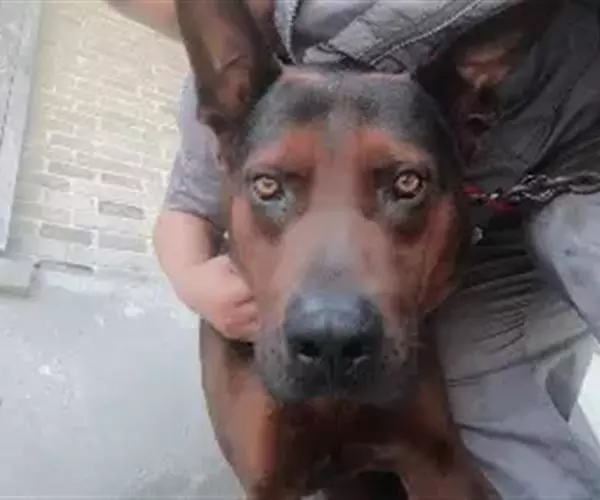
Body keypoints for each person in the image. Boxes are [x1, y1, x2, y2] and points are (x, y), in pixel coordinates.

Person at [108, 0, 600, 498]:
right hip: (501, 205)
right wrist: (196, 280)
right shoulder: (242, 91)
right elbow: (180, 213)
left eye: (404, 183)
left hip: (573, 160)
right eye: (271, 186)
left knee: (482, 403)